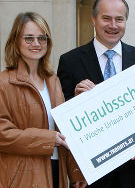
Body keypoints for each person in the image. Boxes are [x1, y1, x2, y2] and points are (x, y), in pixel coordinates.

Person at [57, 0, 135, 188]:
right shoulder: (70, 61)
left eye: (119, 19)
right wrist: (75, 100)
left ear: (126, 21)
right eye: (106, 18)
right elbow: (60, 113)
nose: (113, 25)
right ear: (94, 19)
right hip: (91, 172)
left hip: (131, 170)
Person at [0, 12, 85, 188]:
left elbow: (64, 128)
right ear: (16, 42)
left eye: (42, 38)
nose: (36, 44)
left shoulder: (53, 81)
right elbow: (2, 134)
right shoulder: (4, 83)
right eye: (29, 38)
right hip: (22, 175)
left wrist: (75, 172)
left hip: (56, 170)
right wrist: (47, 139)